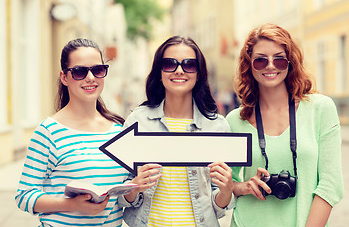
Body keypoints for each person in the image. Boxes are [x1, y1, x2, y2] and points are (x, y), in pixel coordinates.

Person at [226, 23, 344, 226]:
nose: (270, 66)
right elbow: (224, 186)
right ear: (249, 65)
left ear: (290, 63)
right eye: (260, 60)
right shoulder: (235, 120)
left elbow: (330, 185)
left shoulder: (320, 109)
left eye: (279, 59)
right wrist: (244, 186)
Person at [118, 36, 234, 226]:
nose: (179, 70)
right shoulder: (137, 121)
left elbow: (219, 207)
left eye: (189, 65)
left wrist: (226, 190)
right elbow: (122, 196)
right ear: (159, 71)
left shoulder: (217, 126)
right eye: (170, 64)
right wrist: (135, 186)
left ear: (199, 73)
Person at [15, 38, 128, 227]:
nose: (90, 78)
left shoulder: (119, 131)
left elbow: (126, 197)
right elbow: (24, 197)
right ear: (64, 77)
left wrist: (137, 185)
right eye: (79, 71)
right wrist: (72, 204)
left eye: (98, 70)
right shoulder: (48, 132)